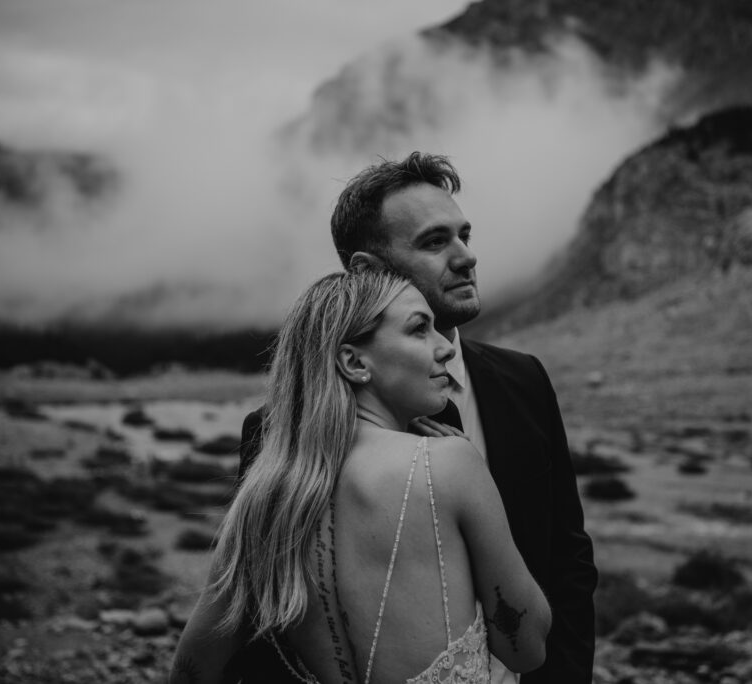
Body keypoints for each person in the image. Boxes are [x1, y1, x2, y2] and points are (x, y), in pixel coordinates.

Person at [238, 152, 597, 683]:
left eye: (464, 236)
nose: (466, 257)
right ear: (367, 271)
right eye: (434, 242)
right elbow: (256, 618)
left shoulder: (523, 382)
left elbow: (567, 558)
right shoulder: (278, 429)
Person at [171, 269, 551, 683]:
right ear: (353, 362)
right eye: (420, 329)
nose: (445, 348)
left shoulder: (263, 499)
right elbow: (526, 647)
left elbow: (192, 669)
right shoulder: (449, 465)